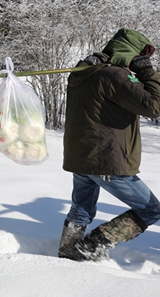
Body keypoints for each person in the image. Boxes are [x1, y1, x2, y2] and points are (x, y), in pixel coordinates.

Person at [58, 28, 160, 261]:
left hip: (81, 156)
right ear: (130, 53)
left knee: (81, 210)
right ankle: (92, 246)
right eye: (140, 55)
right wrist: (147, 73)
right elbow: (155, 106)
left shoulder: (83, 70)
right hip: (105, 159)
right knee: (151, 209)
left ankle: (67, 252)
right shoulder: (114, 76)